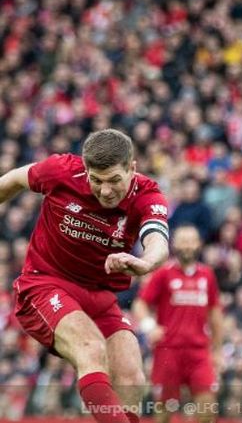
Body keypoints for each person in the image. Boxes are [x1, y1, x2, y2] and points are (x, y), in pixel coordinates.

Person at [7, 129, 170, 423]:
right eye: (97, 180)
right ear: (85, 169)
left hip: (99, 297)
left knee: (131, 377)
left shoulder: (147, 195)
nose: (105, 191)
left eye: (114, 181)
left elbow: (157, 240)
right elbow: (16, 179)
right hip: (44, 284)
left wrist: (145, 263)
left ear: (131, 168)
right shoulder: (60, 171)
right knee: (90, 348)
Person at [132, 224, 223, 423]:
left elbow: (215, 314)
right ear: (174, 244)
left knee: (207, 408)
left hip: (199, 352)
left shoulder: (207, 275)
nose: (187, 246)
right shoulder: (164, 274)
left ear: (199, 244)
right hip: (168, 350)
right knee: (164, 411)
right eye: (183, 241)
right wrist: (149, 326)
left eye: (191, 241)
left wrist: (217, 350)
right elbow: (140, 304)